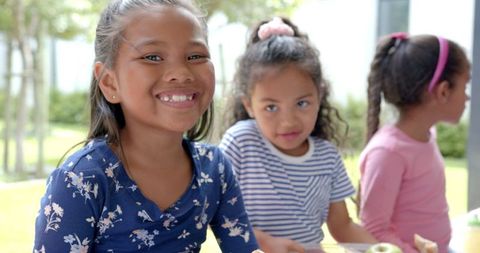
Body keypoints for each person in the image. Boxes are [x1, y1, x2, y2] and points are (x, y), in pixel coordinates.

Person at [33, 0, 260, 252]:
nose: (181, 72)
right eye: (152, 57)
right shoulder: (81, 180)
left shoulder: (215, 168)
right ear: (110, 83)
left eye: (195, 56)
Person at [219, 17, 377, 253]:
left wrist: (386, 249)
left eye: (302, 103)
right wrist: (266, 242)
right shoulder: (241, 142)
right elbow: (217, 214)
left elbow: (343, 226)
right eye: (271, 107)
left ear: (319, 95)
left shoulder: (327, 156)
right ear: (249, 105)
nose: (288, 121)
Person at [358, 32, 471, 253]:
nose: (467, 97)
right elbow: (374, 230)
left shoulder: (427, 135)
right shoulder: (388, 152)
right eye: (464, 87)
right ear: (443, 91)